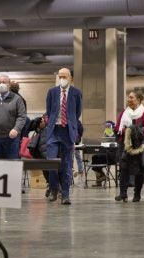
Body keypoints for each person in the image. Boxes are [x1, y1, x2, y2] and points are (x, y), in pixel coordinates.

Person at [46, 67, 82, 205]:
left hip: (68, 131)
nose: (62, 79)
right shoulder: (52, 92)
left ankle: (65, 195)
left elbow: (77, 112)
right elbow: (49, 111)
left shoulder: (76, 93)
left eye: (64, 76)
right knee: (51, 162)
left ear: (70, 78)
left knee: (67, 165)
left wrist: (69, 123)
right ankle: (54, 189)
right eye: (60, 76)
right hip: (54, 130)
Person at [114, 91, 144, 202]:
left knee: (138, 170)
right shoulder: (123, 113)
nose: (128, 99)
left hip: (138, 145)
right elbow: (117, 128)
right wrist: (125, 131)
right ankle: (123, 193)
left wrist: (134, 130)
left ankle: (137, 194)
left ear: (138, 100)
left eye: (131, 97)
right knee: (123, 168)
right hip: (124, 144)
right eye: (128, 97)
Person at [91, 120, 117, 187]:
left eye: (108, 127)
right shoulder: (106, 134)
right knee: (94, 157)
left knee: (97, 157)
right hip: (106, 154)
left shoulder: (115, 134)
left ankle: (101, 177)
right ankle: (101, 177)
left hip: (112, 156)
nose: (107, 128)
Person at [73, 119, 84, 186]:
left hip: (72, 141)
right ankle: (80, 169)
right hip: (76, 141)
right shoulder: (78, 121)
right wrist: (79, 137)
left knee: (71, 156)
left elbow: (81, 130)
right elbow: (81, 130)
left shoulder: (72, 120)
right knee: (77, 156)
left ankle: (71, 169)